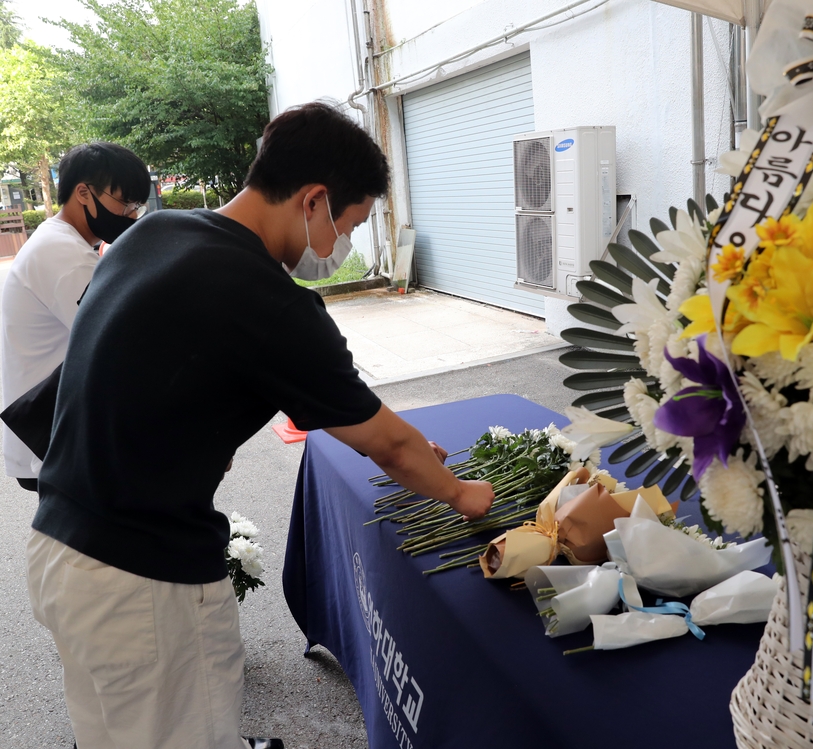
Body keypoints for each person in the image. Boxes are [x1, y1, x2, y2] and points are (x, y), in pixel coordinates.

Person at [26, 101, 495, 749]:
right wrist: (467, 494)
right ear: (315, 200)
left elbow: (146, 379)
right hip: (142, 585)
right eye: (350, 224)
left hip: (59, 550)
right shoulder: (268, 301)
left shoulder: (152, 235)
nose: (342, 247)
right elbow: (387, 442)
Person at [0, 142, 150, 492]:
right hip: (52, 436)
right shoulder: (64, 255)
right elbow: (125, 343)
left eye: (137, 206)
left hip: (52, 429)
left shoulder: (63, 242)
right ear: (84, 192)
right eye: (126, 203)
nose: (131, 215)